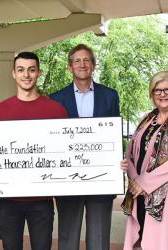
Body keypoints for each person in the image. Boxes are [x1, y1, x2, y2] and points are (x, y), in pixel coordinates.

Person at [0, 51, 67, 250]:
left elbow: (67, 153)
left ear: (38, 73)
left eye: (31, 70)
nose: (26, 75)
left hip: (42, 200)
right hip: (7, 200)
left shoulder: (56, 110)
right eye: (21, 70)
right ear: (13, 74)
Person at [50, 43, 120, 250]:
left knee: (99, 241)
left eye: (87, 60)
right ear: (70, 67)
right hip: (68, 181)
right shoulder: (56, 99)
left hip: (101, 181)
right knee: (67, 240)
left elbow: (114, 137)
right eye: (77, 61)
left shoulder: (110, 96)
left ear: (93, 65)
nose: (82, 64)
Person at [121, 71, 168, 250]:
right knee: (141, 239)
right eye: (158, 90)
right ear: (151, 94)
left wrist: (144, 182)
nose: (163, 94)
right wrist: (135, 180)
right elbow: (131, 151)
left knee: (159, 242)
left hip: (162, 196)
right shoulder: (147, 119)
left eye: (167, 90)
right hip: (139, 192)